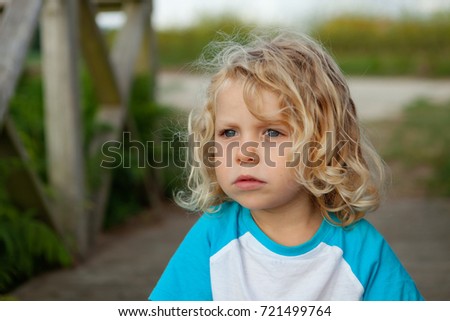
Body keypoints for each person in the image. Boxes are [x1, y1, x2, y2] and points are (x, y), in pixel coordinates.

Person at [149, 30, 423, 301]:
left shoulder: (360, 251)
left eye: (272, 133)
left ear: (321, 145)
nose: (244, 154)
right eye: (229, 133)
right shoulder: (215, 236)